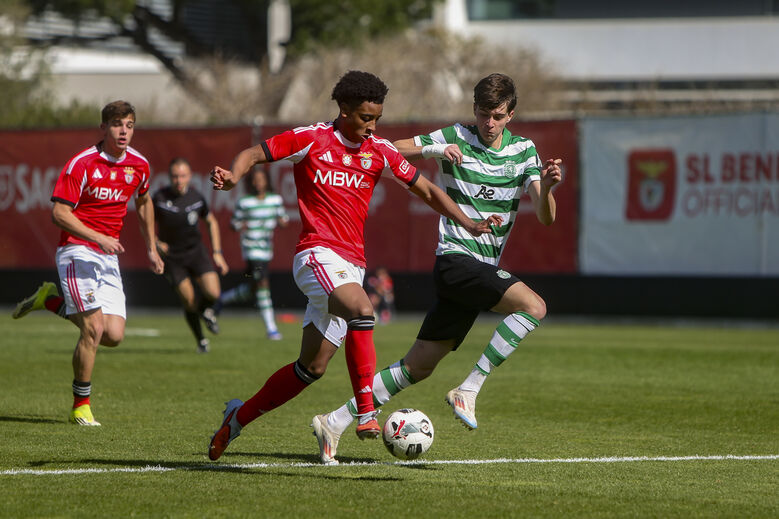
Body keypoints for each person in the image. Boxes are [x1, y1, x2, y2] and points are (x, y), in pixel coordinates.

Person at [206, 70, 499, 461]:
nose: (371, 126)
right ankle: (365, 411)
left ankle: (235, 420)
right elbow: (254, 154)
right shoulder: (311, 138)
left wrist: (467, 222)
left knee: (311, 367)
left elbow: (426, 189)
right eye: (364, 118)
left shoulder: (379, 150)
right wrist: (232, 176)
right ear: (343, 109)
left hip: (350, 267)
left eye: (376, 118)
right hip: (315, 255)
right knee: (364, 309)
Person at [311, 73, 563, 464]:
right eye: (482, 113)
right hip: (455, 260)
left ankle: (334, 421)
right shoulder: (458, 135)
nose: (488, 123)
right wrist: (437, 149)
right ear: (474, 110)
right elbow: (390, 148)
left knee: (419, 366)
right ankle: (469, 389)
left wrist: (546, 188)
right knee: (533, 307)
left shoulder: (525, 152)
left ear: (510, 114)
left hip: (480, 268)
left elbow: (546, 219)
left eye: (497, 115)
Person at [11, 100, 164, 426]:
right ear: (103, 128)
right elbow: (59, 213)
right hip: (77, 251)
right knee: (93, 329)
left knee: (114, 335)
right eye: (117, 124)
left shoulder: (139, 165)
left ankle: (50, 300)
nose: (124, 131)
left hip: (107, 256)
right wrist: (97, 236)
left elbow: (144, 200)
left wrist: (152, 247)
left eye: (130, 125)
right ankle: (80, 405)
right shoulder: (82, 163)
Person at [153, 157, 229, 353]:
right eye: (175, 176)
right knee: (189, 300)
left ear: (190, 177)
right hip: (173, 257)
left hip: (196, 252)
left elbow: (211, 222)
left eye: (183, 176)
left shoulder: (196, 197)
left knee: (213, 293)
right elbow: (145, 223)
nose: (179, 180)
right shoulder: (159, 198)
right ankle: (201, 341)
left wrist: (218, 253)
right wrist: (155, 243)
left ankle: (206, 310)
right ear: (169, 177)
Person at [217, 166, 288, 340]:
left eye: (261, 179)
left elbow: (284, 219)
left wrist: (280, 221)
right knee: (263, 283)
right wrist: (243, 225)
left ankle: (222, 299)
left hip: (266, 250)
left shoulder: (275, 200)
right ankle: (271, 328)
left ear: (266, 181)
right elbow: (234, 224)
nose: (258, 183)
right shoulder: (245, 202)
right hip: (251, 250)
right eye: (255, 180)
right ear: (251, 183)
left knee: (253, 288)